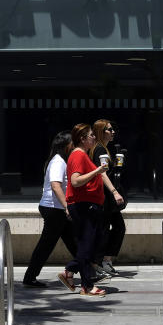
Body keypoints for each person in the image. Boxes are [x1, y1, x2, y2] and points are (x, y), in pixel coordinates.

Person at [58, 123, 109, 297]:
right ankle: (86, 286)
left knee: (91, 243)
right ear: (82, 138)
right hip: (83, 205)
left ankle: (70, 271)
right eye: (91, 135)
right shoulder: (78, 155)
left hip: (86, 205)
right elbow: (75, 181)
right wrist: (97, 171)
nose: (94, 138)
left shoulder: (81, 155)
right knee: (87, 245)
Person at [22, 131, 78, 288]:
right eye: (72, 144)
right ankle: (30, 277)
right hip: (54, 209)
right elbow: (55, 186)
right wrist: (67, 206)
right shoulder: (58, 162)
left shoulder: (59, 160)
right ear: (65, 146)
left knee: (74, 242)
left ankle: (90, 272)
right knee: (47, 245)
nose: (74, 147)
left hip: (56, 208)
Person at [91, 119, 125, 277]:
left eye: (113, 129)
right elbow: (102, 173)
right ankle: (98, 263)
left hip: (107, 197)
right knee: (104, 230)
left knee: (116, 227)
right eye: (109, 130)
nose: (113, 132)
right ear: (101, 132)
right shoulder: (99, 149)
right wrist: (114, 191)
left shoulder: (105, 149)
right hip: (104, 197)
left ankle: (105, 260)